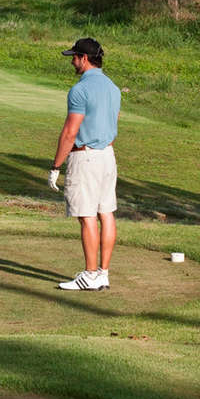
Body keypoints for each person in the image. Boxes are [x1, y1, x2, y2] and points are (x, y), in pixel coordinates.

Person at [47, 38, 120, 291]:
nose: (72, 61)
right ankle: (103, 273)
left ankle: (89, 275)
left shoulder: (79, 90)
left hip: (85, 156)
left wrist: (56, 166)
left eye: (74, 57)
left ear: (85, 59)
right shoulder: (113, 87)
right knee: (106, 213)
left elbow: (70, 131)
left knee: (87, 215)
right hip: (108, 157)